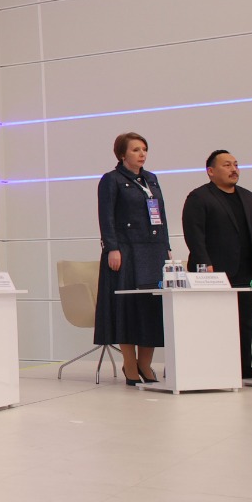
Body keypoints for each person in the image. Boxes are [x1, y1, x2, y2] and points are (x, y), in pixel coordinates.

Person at [182, 150, 252, 379]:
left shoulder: (249, 197)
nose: (234, 169)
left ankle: (243, 366)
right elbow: (194, 235)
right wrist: (205, 264)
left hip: (246, 271)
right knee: (215, 322)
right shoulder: (199, 197)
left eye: (236, 164)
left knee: (245, 321)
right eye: (227, 165)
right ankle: (215, 366)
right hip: (214, 273)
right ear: (210, 171)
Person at [93, 131, 170, 384]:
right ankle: (129, 364)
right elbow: (106, 217)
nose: (142, 154)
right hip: (125, 250)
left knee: (151, 307)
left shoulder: (151, 179)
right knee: (127, 307)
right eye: (136, 149)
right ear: (122, 154)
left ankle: (145, 364)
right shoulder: (111, 180)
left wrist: (166, 246)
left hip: (153, 250)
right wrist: (112, 248)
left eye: (144, 149)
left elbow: (161, 215)